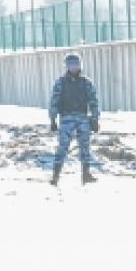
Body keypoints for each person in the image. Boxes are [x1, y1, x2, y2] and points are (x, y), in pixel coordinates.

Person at [48, 52, 100, 185]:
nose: (74, 67)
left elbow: (93, 101)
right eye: (71, 65)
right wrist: (53, 120)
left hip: (83, 118)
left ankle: (86, 174)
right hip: (67, 118)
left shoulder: (86, 82)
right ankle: (55, 175)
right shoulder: (61, 82)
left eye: (76, 64)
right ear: (67, 66)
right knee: (63, 147)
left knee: (85, 147)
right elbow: (54, 101)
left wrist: (95, 119)